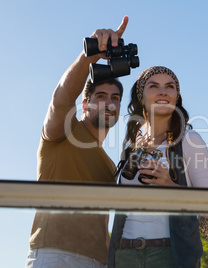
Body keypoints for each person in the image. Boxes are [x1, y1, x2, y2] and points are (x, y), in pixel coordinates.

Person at [26, 16, 129, 268]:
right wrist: (89, 55)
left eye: (115, 98)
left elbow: (102, 225)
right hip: (54, 255)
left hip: (99, 262)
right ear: (85, 104)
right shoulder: (63, 132)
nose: (110, 103)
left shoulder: (108, 165)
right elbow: (61, 98)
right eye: (101, 96)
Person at [108, 66, 208, 268]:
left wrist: (170, 185)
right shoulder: (131, 148)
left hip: (169, 255)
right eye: (154, 86)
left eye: (170, 86)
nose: (163, 91)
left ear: (176, 96)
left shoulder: (190, 140)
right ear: (141, 97)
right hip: (124, 255)